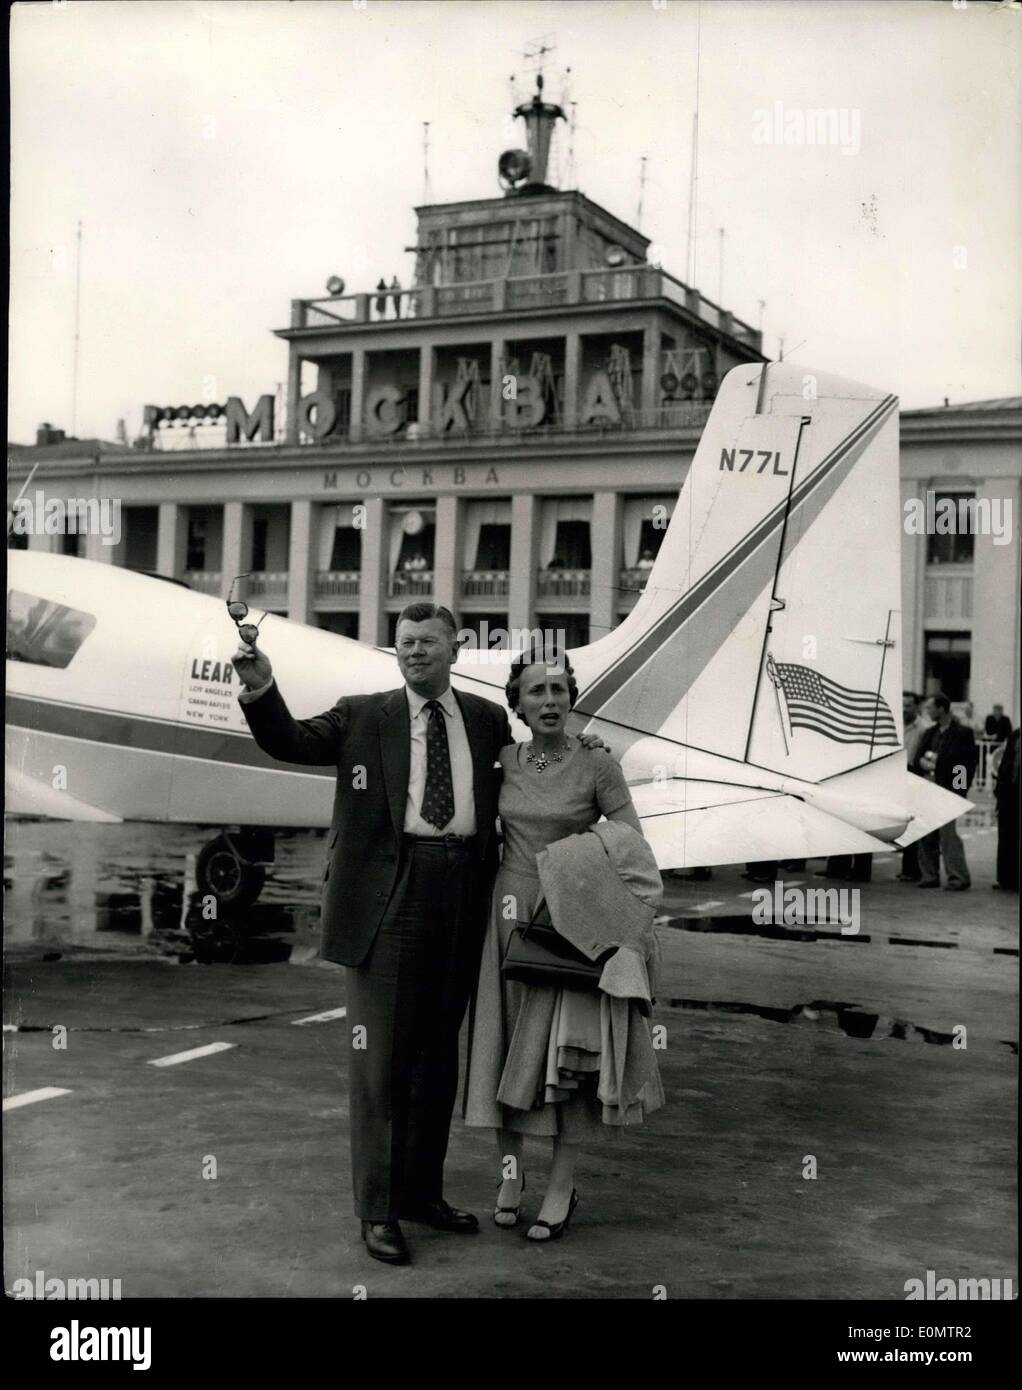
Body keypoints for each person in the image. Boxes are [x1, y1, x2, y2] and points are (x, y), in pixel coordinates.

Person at [231, 604, 606, 1266]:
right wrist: (262, 688)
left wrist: (587, 750)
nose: (414, 653)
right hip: (387, 895)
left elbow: (538, 763)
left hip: (466, 894)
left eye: (428, 643)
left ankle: (421, 1193)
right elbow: (289, 739)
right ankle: (377, 1212)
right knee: (379, 1061)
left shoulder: (487, 721)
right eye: (404, 643)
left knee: (437, 1057)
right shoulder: (362, 715)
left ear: (455, 649)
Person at [463, 648, 663, 1242]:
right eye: (535, 691)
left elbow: (633, 844)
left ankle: (560, 1185)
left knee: (564, 1060)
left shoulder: (598, 765)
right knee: (503, 1049)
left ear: (572, 697)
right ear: (517, 705)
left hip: (571, 922)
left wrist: (579, 875)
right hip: (506, 915)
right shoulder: (502, 761)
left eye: (558, 688)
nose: (549, 700)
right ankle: (509, 1175)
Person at [911, 693, 977, 891]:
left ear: (942, 708)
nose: (927, 711)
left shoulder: (962, 733)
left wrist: (959, 791)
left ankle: (958, 876)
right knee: (926, 834)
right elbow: (917, 758)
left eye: (930, 708)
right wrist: (921, 763)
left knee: (948, 836)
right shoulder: (930, 733)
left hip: (947, 789)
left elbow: (966, 764)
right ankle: (929, 875)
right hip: (927, 788)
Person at [898, 690, 932, 882]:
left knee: (912, 824)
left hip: (913, 776)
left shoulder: (923, 728)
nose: (904, 709)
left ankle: (912, 869)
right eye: (902, 705)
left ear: (916, 707)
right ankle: (907, 869)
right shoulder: (896, 723)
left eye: (908, 705)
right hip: (895, 777)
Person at [993, 727, 1019, 891]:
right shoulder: (1015, 735)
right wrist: (999, 792)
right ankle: (1006, 878)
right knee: (1007, 837)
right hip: (1010, 795)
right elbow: (1005, 766)